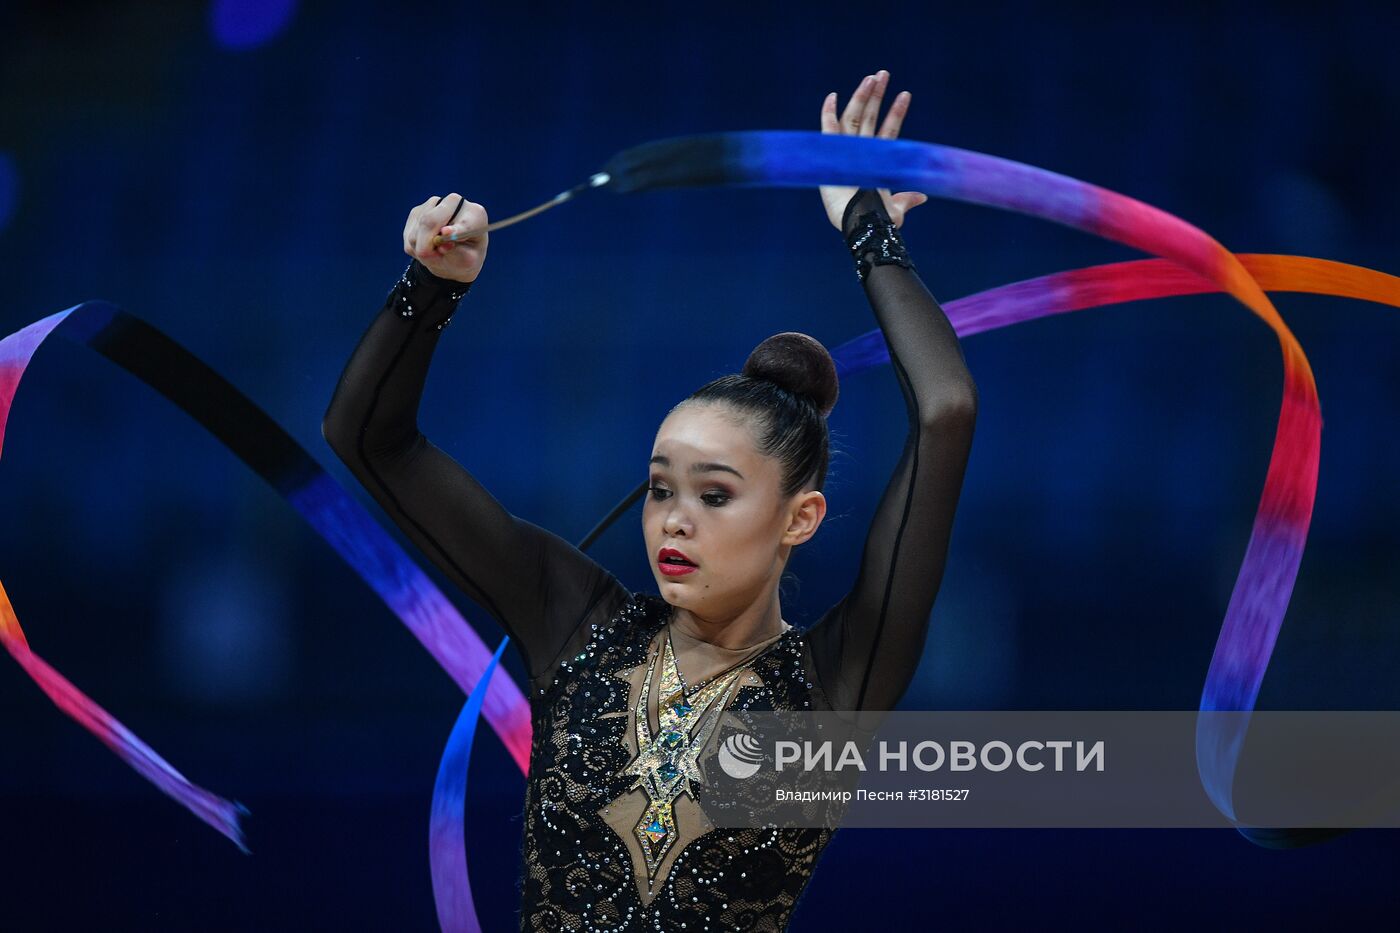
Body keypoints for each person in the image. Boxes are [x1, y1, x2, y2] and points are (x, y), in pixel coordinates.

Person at [322, 69, 977, 932]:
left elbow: (946, 409)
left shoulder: (833, 687)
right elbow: (369, 439)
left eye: (715, 494)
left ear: (799, 519)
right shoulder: (575, 619)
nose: (674, 516)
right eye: (662, 486)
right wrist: (431, 286)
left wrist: (864, 227)